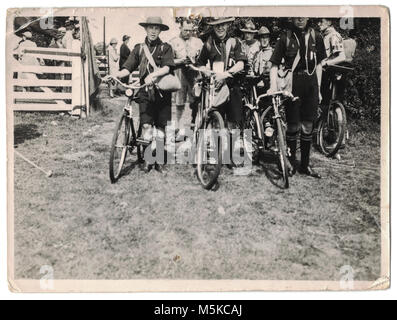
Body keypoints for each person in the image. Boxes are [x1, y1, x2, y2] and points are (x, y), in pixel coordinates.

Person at [104, 17, 175, 173]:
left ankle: (160, 160)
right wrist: (115, 75)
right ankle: (149, 159)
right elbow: (128, 67)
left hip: (163, 92)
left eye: (156, 28)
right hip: (145, 92)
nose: (153, 31)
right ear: (146, 29)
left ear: (160, 30)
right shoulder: (139, 48)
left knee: (161, 128)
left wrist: (154, 75)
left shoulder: (166, 47)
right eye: (151, 28)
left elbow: (168, 67)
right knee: (147, 126)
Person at [268, 17, 326, 178]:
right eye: (297, 15)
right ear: (291, 17)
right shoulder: (285, 37)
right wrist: (273, 86)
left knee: (308, 125)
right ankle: (291, 163)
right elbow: (274, 64)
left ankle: (305, 165)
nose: (300, 19)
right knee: (293, 126)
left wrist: (319, 89)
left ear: (308, 17)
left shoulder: (317, 37)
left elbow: (319, 65)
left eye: (303, 15)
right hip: (292, 85)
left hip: (311, 84)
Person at [169, 20, 203, 140]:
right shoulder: (173, 42)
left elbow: (204, 57)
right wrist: (181, 61)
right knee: (180, 103)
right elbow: (169, 61)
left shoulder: (198, 42)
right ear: (180, 28)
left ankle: (195, 128)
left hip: (195, 74)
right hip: (179, 74)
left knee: (196, 102)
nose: (188, 32)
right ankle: (179, 129)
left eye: (190, 30)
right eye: (185, 30)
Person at [318, 18, 346, 105]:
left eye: (321, 21)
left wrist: (326, 63)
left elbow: (342, 57)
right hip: (323, 73)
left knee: (326, 102)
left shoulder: (333, 36)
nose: (318, 24)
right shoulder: (324, 36)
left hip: (329, 74)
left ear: (329, 22)